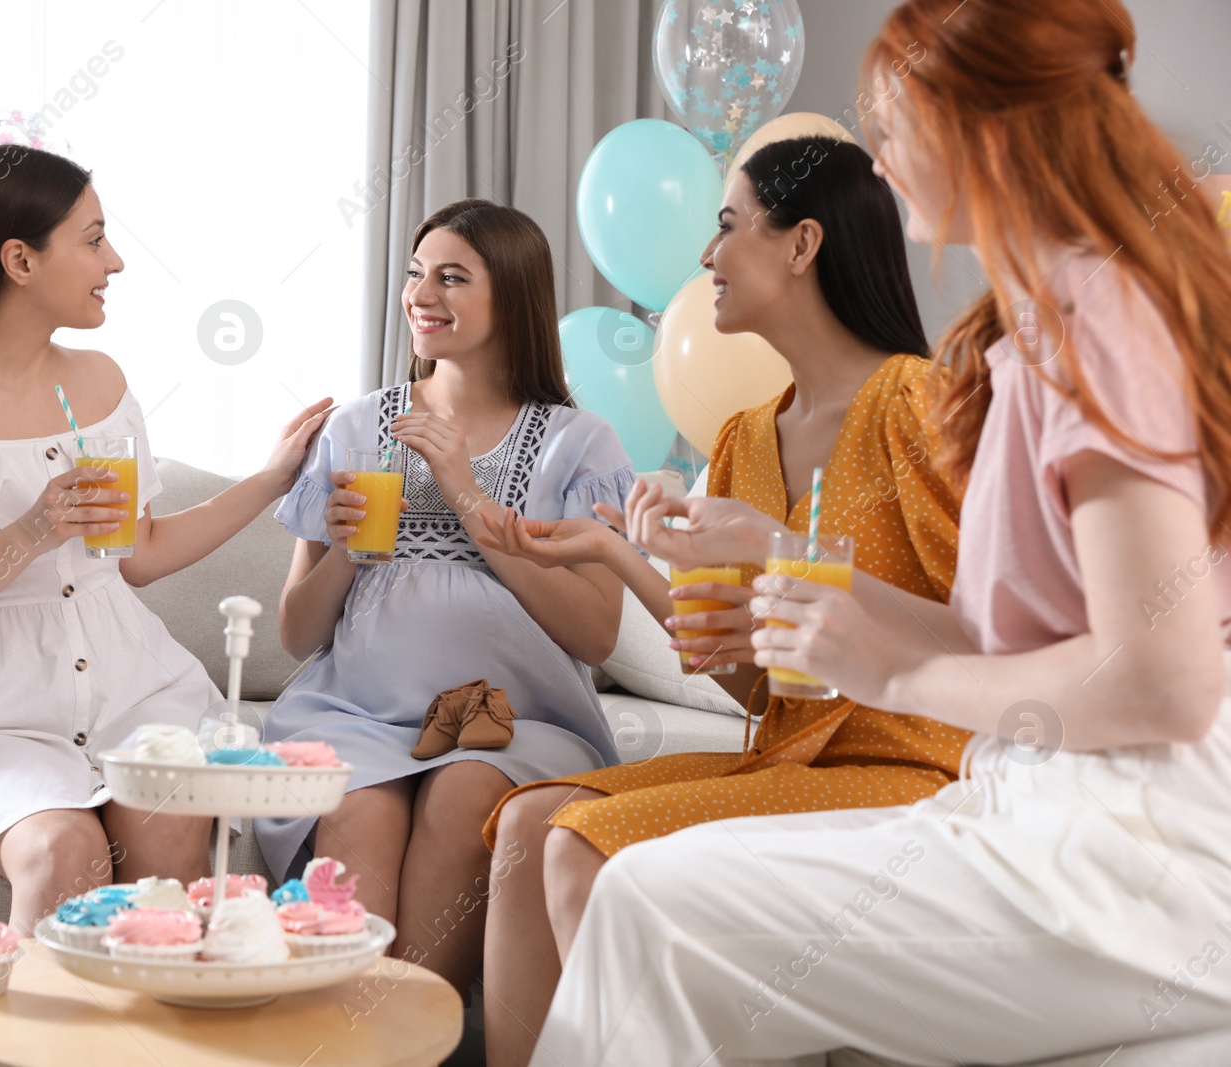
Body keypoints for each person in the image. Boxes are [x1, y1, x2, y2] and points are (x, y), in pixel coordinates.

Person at [530, 1, 1231, 1062]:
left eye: (894, 125)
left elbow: (1162, 685)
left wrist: (890, 676)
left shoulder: (1098, 314)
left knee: (649, 907)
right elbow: (1008, 645)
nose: (882, 159)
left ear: (980, 127)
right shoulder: (1028, 324)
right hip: (1042, 799)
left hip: (1135, 847)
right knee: (629, 885)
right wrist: (782, 561)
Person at [474, 137, 972, 1067]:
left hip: (917, 764)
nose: (706, 257)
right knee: (525, 825)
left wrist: (782, 556)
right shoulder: (744, 440)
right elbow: (752, 689)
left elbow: (989, 635)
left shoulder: (918, 402)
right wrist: (622, 553)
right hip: (790, 759)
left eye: (729, 225)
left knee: (586, 843)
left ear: (801, 244)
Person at [0, 145, 331, 936]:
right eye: (92, 239)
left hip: (138, 691)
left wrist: (270, 478)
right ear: (20, 259)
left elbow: (141, 553)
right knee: (62, 852)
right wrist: (32, 530)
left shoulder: (97, 385)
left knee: (171, 842)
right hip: (0, 716)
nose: (115, 260)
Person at [256, 199, 633, 991]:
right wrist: (351, 555)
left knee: (466, 800)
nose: (422, 295)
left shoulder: (578, 442)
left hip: (518, 721)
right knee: (357, 809)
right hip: (356, 714)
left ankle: (400, 1034)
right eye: (416, 273)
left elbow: (597, 635)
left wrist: (469, 499)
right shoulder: (358, 428)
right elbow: (295, 632)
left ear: (515, 296)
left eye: (452, 277)